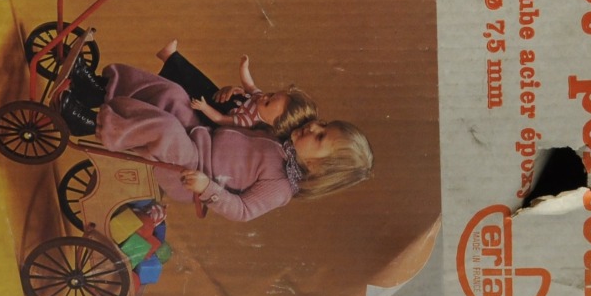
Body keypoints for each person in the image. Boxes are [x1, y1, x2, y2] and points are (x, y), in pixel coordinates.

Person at [60, 60, 373, 221]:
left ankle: (89, 123)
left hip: (189, 173)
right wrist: (234, 94)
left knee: (166, 130)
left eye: (320, 137)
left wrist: (206, 188)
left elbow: (242, 210)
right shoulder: (283, 140)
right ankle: (100, 90)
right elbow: (253, 112)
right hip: (199, 136)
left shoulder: (279, 187)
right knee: (173, 94)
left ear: (316, 168)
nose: (314, 126)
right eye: (324, 124)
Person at [155, 38, 316, 134]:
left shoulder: (249, 121)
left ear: (271, 123)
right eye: (271, 94)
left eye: (268, 103)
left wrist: (204, 107)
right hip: (218, 98)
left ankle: (168, 64)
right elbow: (249, 84)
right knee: (196, 79)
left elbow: (221, 119)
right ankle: (170, 56)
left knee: (186, 90)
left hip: (212, 110)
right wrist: (244, 67)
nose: (264, 97)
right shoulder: (258, 98)